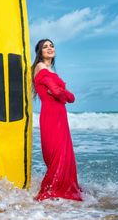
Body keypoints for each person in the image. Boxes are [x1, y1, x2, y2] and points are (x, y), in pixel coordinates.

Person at [32, 38, 82, 201]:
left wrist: (61, 93)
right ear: (40, 52)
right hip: (51, 115)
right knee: (57, 154)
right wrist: (61, 92)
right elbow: (59, 93)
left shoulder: (53, 71)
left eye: (51, 46)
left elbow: (71, 97)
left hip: (61, 114)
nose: (49, 48)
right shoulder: (40, 67)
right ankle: (51, 190)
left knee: (65, 154)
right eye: (45, 47)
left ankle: (62, 188)